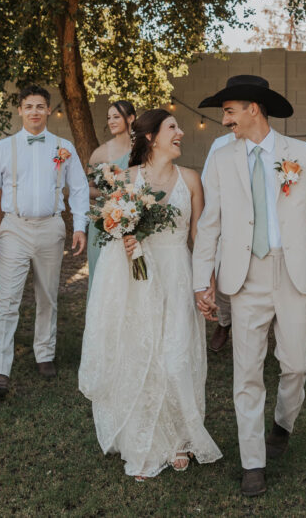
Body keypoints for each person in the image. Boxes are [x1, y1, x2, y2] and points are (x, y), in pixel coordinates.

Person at [192, 74, 306, 497]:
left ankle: (282, 423)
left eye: (230, 110)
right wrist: (203, 280)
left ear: (253, 108)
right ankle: (252, 460)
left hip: (295, 275)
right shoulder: (221, 159)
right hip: (245, 276)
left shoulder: (303, 154)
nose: (225, 120)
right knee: (247, 371)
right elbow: (211, 224)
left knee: (294, 364)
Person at [79, 109, 222, 479]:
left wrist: (206, 284)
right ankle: (145, 444)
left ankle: (178, 437)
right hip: (137, 279)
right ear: (151, 137)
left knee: (175, 357)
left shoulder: (190, 179)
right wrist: (124, 240)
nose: (181, 132)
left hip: (177, 273)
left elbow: (199, 238)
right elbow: (112, 228)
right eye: (173, 127)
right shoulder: (127, 178)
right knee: (143, 355)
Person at [0, 85, 89, 398]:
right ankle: (0, 368)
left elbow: (78, 189)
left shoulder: (64, 147)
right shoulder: (2, 148)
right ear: (20, 110)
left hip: (51, 227)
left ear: (48, 110)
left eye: (40, 106)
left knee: (48, 295)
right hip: (14, 228)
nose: (35, 111)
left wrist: (80, 225)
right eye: (29, 106)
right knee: (7, 299)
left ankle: (45, 353)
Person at [86, 101, 135, 299]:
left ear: (130, 118)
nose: (111, 121)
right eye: (109, 117)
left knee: (129, 276)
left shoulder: (143, 150)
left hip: (132, 221)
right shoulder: (100, 153)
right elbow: (88, 189)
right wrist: (111, 195)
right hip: (103, 223)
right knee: (101, 277)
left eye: (116, 116)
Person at [200, 130, 236, 352]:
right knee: (223, 277)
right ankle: (225, 323)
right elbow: (207, 181)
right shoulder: (221, 143)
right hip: (227, 218)